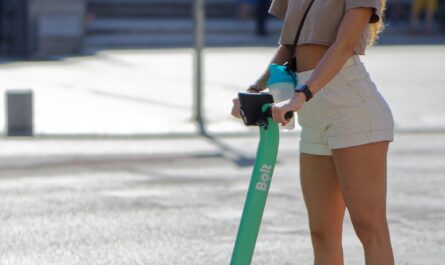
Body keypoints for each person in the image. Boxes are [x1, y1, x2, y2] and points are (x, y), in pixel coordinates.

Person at [231, 0, 395, 264]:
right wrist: (253, 90)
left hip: (350, 105)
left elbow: (343, 44)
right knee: (322, 234)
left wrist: (303, 93)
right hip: (312, 110)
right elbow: (288, 47)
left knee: (369, 228)